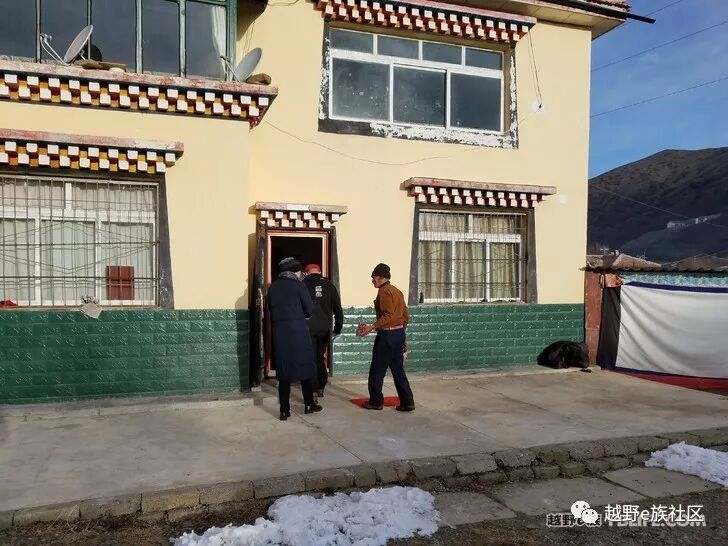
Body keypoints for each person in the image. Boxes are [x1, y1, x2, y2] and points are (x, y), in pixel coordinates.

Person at [267, 257, 322, 421]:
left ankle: (284, 411)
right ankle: (308, 405)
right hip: (298, 333)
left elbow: (270, 309)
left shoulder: (273, 288)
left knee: (284, 371)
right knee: (305, 367)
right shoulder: (299, 285)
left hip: (280, 334)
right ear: (294, 272)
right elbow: (309, 310)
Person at [356, 263, 415, 412]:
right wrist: (401, 335)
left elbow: (388, 315)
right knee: (398, 370)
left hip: (387, 336)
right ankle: (407, 401)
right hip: (398, 333)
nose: (372, 281)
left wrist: (371, 327)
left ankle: (375, 402)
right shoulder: (397, 291)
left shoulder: (384, 291)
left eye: (373, 278)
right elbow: (405, 315)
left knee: (377, 370)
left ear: (381, 277)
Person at [303, 263, 344, 398]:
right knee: (320, 356)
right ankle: (321, 385)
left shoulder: (303, 284)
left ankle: (314, 387)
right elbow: (337, 308)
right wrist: (338, 328)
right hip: (324, 328)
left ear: (306, 273)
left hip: (308, 328)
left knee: (310, 357)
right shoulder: (329, 285)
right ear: (319, 272)